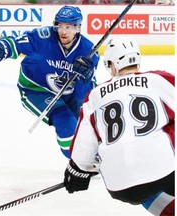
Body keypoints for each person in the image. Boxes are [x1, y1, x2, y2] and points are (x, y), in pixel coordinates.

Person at [63, 36, 174, 215]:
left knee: (139, 181)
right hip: (165, 173)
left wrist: (78, 172)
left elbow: (81, 155)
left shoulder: (94, 95)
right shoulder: (159, 79)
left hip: (120, 186)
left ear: (113, 65)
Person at [0, 5, 100, 159]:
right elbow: (17, 43)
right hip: (36, 89)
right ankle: (79, 162)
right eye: (60, 26)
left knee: (85, 122)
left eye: (68, 27)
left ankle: (90, 154)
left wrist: (84, 77)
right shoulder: (43, 36)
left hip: (69, 94)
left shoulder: (89, 51)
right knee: (64, 120)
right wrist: (3, 47)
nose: (63, 31)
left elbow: (84, 94)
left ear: (78, 28)